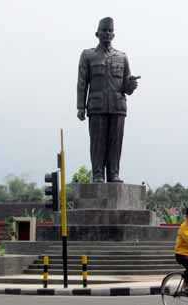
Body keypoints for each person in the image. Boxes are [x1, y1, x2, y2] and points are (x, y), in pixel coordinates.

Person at [76, 17, 139, 183]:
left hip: (118, 106)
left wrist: (131, 85)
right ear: (97, 33)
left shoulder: (122, 57)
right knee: (98, 143)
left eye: (110, 31)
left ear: (114, 35)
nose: (107, 34)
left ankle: (113, 174)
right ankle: (97, 174)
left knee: (115, 143)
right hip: (97, 106)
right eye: (104, 30)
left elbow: (126, 86)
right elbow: (82, 82)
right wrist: (80, 107)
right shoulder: (88, 55)